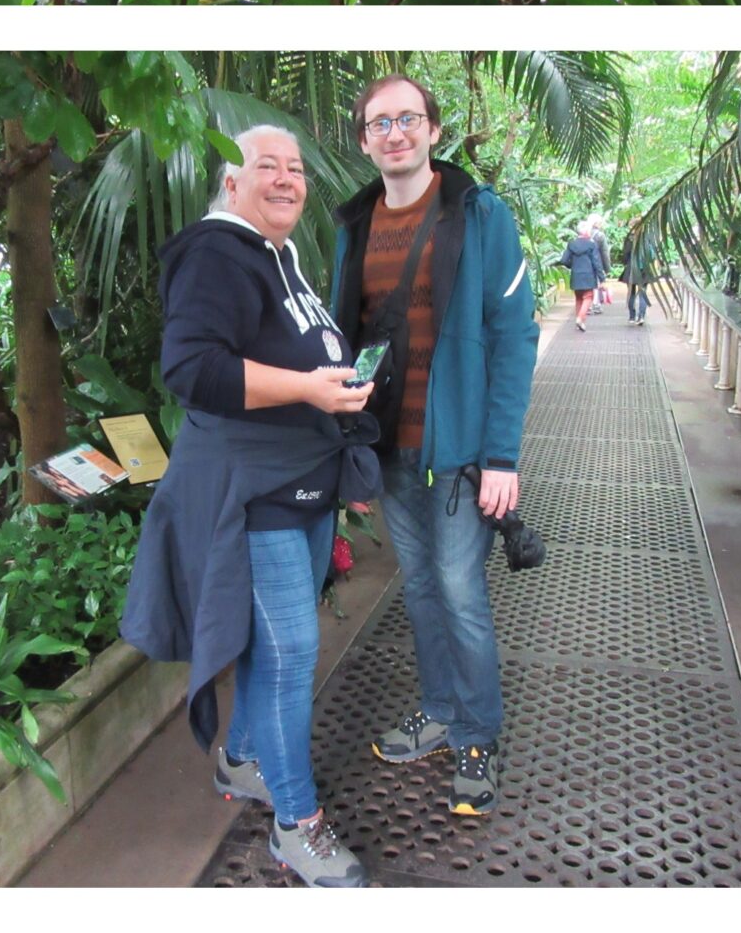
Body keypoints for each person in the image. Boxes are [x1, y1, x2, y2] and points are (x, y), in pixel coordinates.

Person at [122, 125, 377, 888]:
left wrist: (337, 387)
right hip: (252, 491)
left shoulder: (279, 256)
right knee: (292, 652)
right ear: (231, 184)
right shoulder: (215, 251)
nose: (288, 179)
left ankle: (241, 761)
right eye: (267, 166)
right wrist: (307, 387)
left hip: (302, 480)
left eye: (296, 168)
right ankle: (296, 828)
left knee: (278, 651)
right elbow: (192, 367)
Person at [329, 74, 540, 819]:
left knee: (459, 590)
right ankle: (441, 708)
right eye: (379, 122)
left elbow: (514, 336)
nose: (395, 132)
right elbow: (344, 338)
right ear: (364, 139)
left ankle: (477, 732)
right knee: (417, 589)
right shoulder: (352, 225)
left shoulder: (479, 215)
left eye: (407, 119)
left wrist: (502, 455)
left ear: (433, 129)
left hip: (456, 451)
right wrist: (345, 442)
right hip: (388, 447)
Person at [563, 219, 607, 329]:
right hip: (588, 275)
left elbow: (564, 260)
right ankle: (580, 318)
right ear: (587, 232)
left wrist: (572, 265)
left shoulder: (571, 244)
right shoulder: (591, 245)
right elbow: (597, 262)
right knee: (588, 297)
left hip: (576, 275)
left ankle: (579, 322)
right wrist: (602, 278)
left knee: (578, 298)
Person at [622, 216, 655, 323]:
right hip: (644, 269)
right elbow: (652, 254)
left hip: (631, 268)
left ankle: (632, 316)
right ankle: (641, 316)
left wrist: (626, 263)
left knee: (631, 292)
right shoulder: (648, 238)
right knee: (643, 292)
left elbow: (625, 254)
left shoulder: (629, 238)